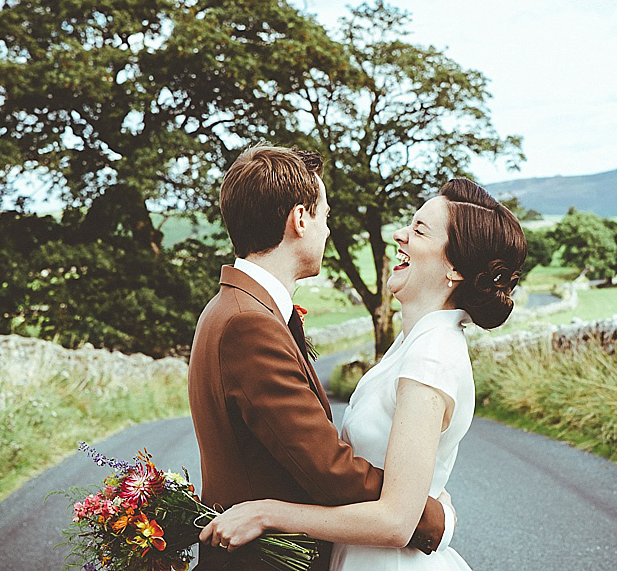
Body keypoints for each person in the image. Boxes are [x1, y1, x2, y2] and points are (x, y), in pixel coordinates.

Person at [201, 177, 528, 571]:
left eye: (419, 229)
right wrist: (432, 513)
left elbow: (395, 521)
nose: (398, 234)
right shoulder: (411, 343)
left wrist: (268, 514)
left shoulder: (432, 355)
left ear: (454, 268)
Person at [188, 145, 452, 571]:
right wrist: (428, 514)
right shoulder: (247, 324)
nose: (328, 231)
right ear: (299, 219)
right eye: (325, 216)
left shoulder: (235, 308)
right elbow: (326, 468)